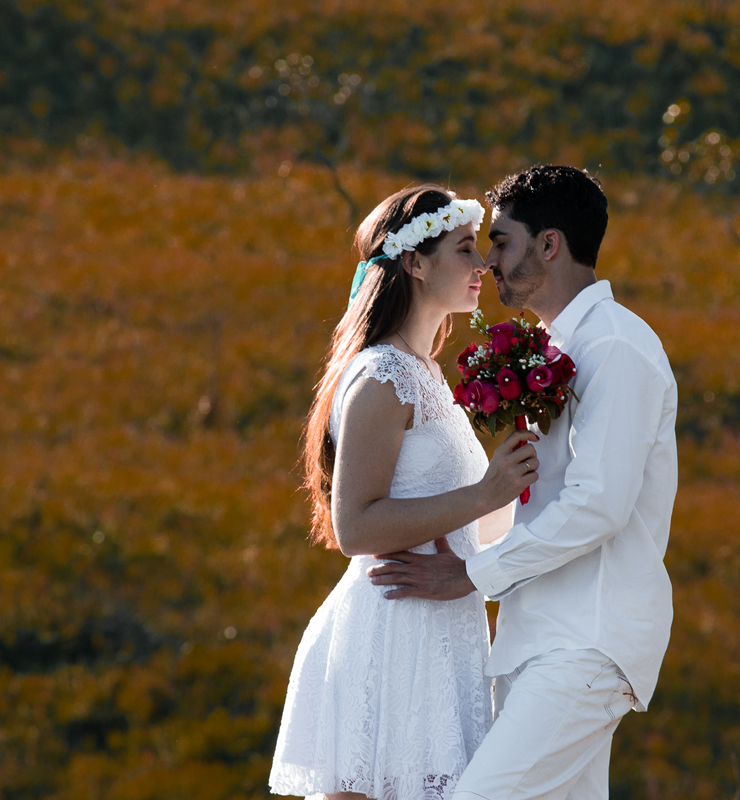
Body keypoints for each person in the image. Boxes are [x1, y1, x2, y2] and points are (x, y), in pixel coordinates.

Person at [368, 165, 678, 799]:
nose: (490, 259)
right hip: (535, 638)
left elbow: (599, 506)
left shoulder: (616, 346)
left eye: (503, 241)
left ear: (550, 244)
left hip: (586, 641)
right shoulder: (550, 349)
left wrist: (468, 578)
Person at [269, 185, 541, 800]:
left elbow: (470, 523)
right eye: (465, 250)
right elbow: (355, 529)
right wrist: (484, 493)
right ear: (415, 264)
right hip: (391, 633)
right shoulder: (380, 376)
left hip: (440, 632)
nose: (483, 266)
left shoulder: (425, 373)